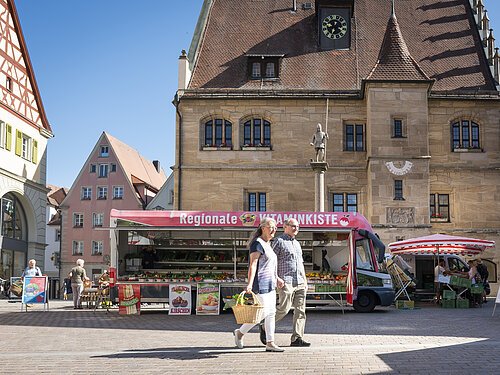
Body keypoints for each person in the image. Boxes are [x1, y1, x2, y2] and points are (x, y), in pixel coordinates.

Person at [233, 217, 285, 352]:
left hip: (270, 284)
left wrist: (277, 278)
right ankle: (240, 333)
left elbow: (270, 265)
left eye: (275, 227)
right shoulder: (257, 243)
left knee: (271, 313)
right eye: (270, 227)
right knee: (261, 313)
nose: (273, 230)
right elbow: (253, 264)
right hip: (260, 284)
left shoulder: (268, 244)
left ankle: (270, 342)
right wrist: (249, 284)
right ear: (263, 228)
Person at [260, 218, 310, 347]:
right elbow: (269, 260)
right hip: (286, 281)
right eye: (293, 226)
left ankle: (297, 338)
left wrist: (305, 280)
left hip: (299, 281)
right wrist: (276, 277)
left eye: (297, 226)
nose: (296, 228)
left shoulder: (297, 244)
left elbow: (300, 264)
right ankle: (264, 325)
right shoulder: (279, 241)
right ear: (285, 226)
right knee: (284, 308)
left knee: (301, 310)